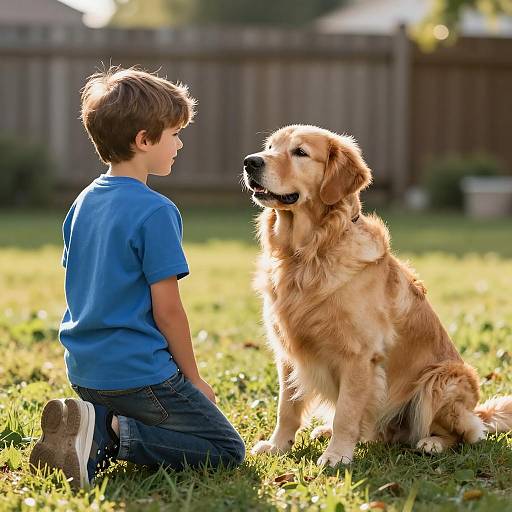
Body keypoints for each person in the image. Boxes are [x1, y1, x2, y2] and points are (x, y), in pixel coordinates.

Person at [29, 67, 245, 489]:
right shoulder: (156, 211)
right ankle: (109, 432)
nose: (179, 143)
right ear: (144, 140)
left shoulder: (82, 202)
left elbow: (80, 285)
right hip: (139, 376)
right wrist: (194, 379)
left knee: (170, 432)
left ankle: (90, 432)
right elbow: (168, 311)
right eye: (174, 134)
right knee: (225, 449)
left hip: (85, 372)